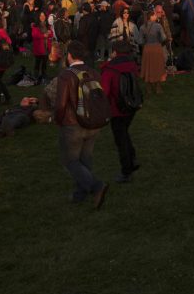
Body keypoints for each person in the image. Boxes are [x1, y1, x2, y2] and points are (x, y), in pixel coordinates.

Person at [54, 41, 109, 209]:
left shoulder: (66, 75)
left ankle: (96, 186)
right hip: (93, 122)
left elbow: (61, 104)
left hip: (73, 124)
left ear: (69, 55)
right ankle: (81, 193)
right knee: (85, 159)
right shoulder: (93, 71)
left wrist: (57, 120)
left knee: (70, 160)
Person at [101, 41, 141, 183]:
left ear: (115, 52)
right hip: (131, 106)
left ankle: (126, 170)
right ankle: (132, 158)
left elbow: (104, 91)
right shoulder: (132, 65)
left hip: (116, 108)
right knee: (124, 132)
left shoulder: (110, 69)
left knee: (120, 139)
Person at [139, 11, 168, 95]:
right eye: (155, 15)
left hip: (147, 49)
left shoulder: (142, 27)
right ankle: (158, 87)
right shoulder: (158, 26)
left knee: (148, 67)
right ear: (151, 17)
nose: (156, 16)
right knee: (158, 67)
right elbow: (163, 38)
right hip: (157, 48)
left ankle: (148, 88)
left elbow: (140, 41)